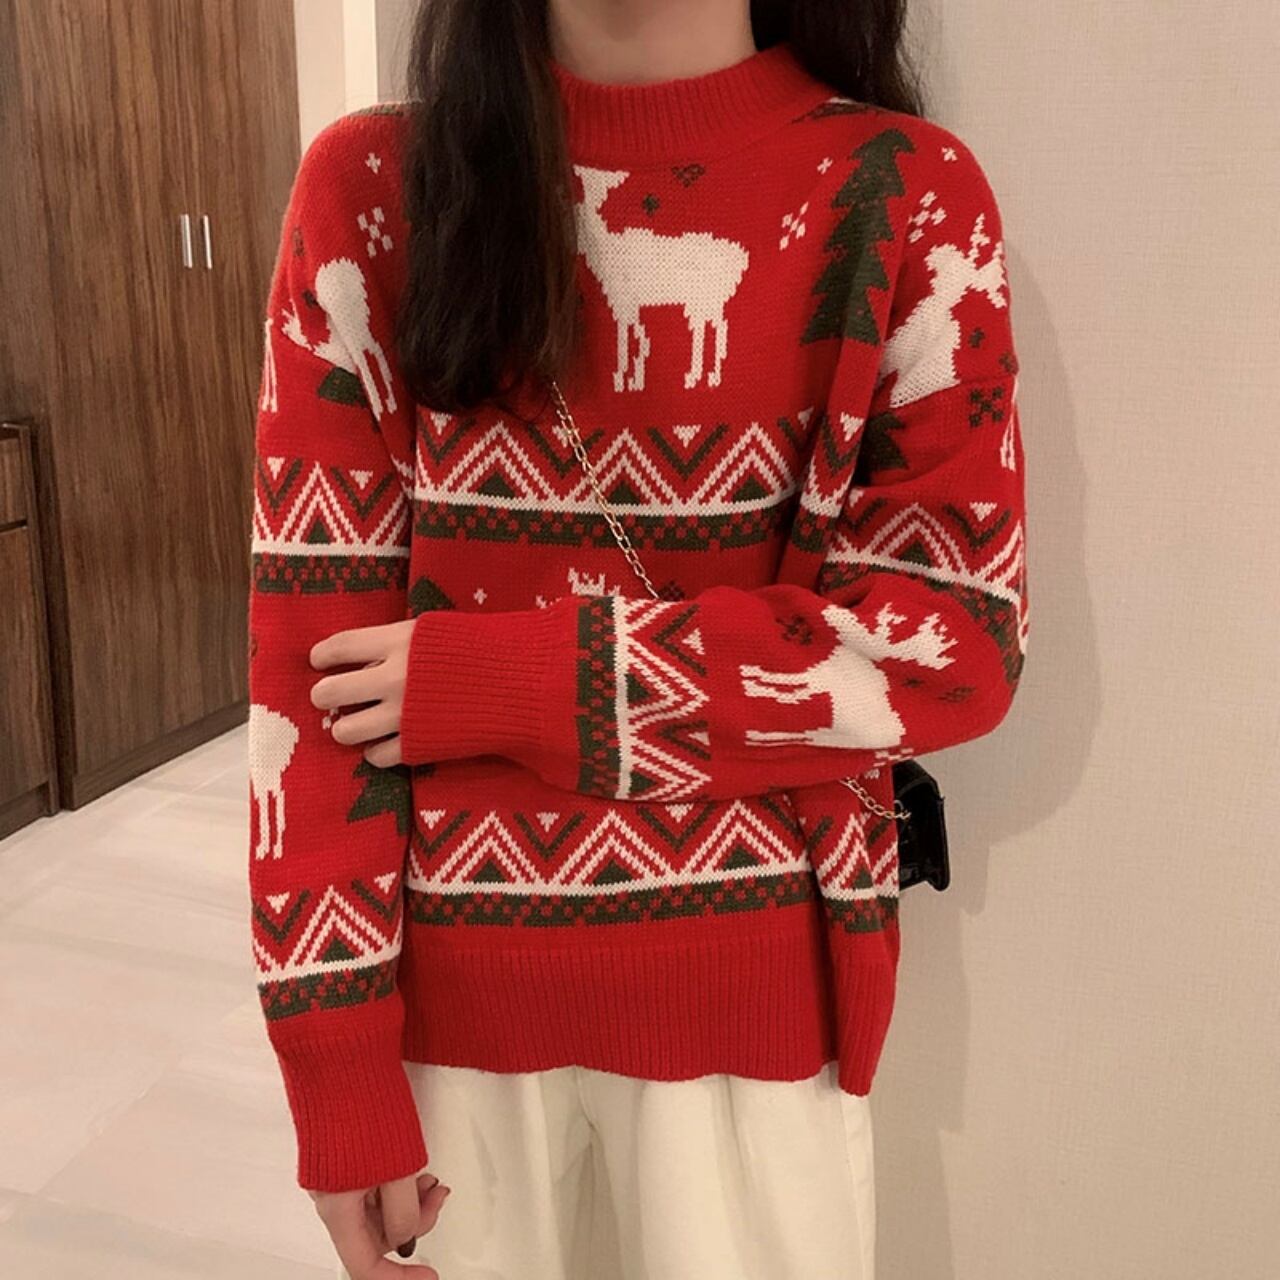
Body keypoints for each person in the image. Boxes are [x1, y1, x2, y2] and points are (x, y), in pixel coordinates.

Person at [246, 1, 1029, 1276]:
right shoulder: (373, 189)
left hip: (755, 1034)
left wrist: (538, 684)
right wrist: (334, 1071)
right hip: (449, 1055)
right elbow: (305, 681)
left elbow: (957, 639)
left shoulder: (906, 194)